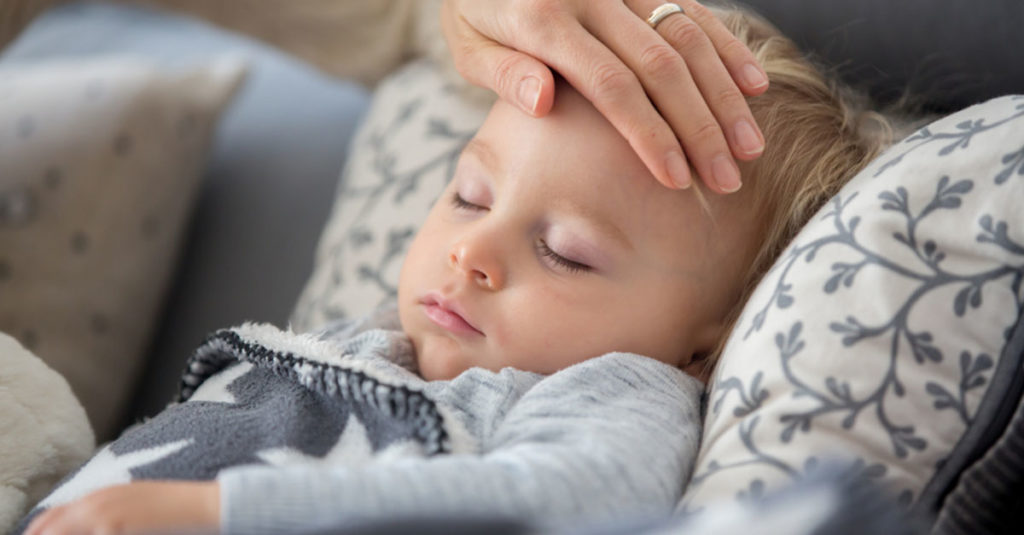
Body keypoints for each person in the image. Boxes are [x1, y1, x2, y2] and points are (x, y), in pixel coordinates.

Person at [22, 4, 889, 535]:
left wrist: (222, 518)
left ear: (703, 347)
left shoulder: (613, 391)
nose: (472, 251)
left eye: (567, 252)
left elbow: (568, 499)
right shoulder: (360, 343)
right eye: (471, 195)